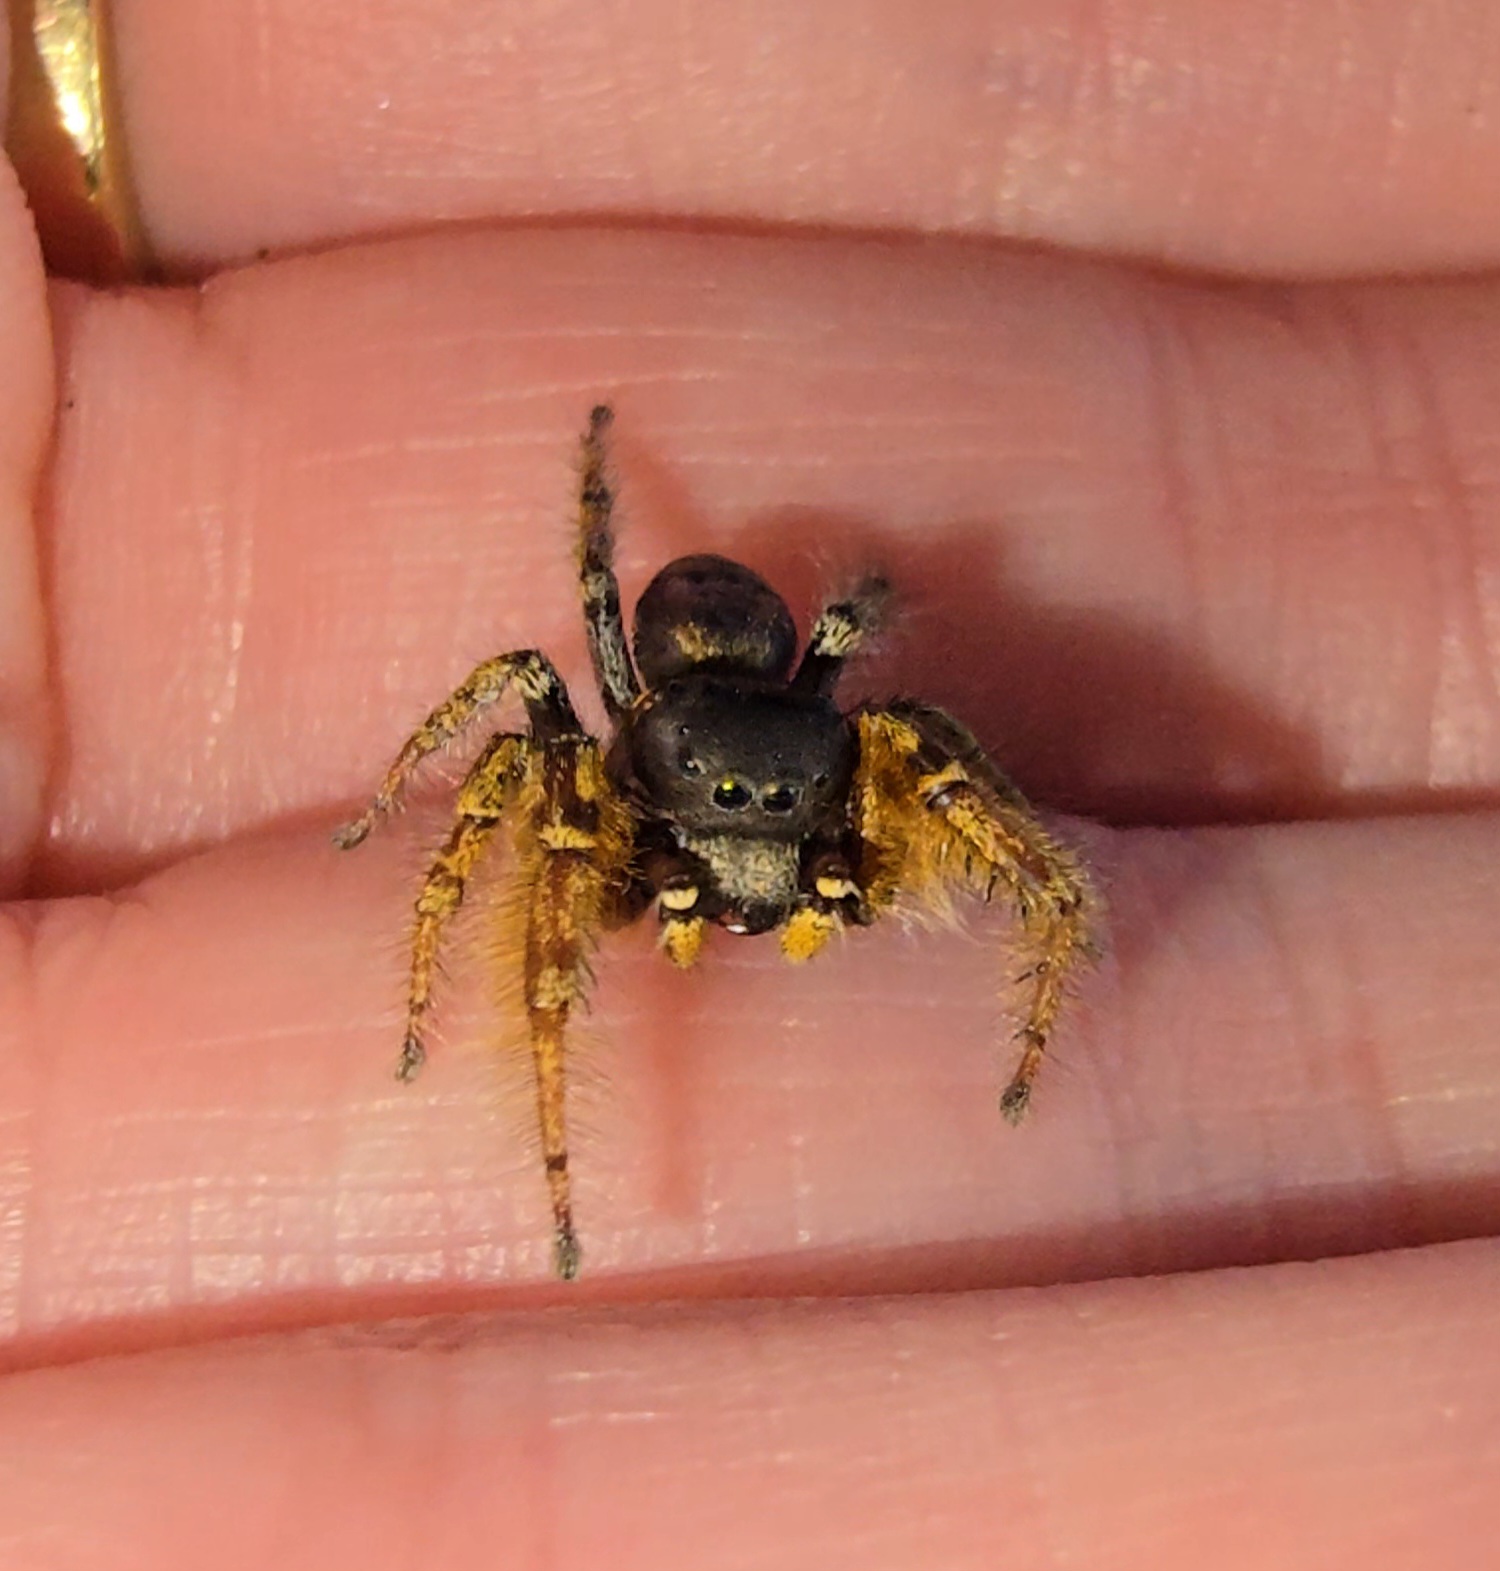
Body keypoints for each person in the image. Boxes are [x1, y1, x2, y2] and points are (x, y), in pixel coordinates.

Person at [0, 3, 1496, 1564]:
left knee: (916, 732)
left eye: (777, 823)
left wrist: (1037, 931)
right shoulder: (618, 772)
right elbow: (550, 695)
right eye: (740, 830)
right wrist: (418, 856)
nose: (752, 863)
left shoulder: (849, 751)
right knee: (527, 726)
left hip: (775, 687)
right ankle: (541, 1112)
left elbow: (902, 696)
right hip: (682, 702)